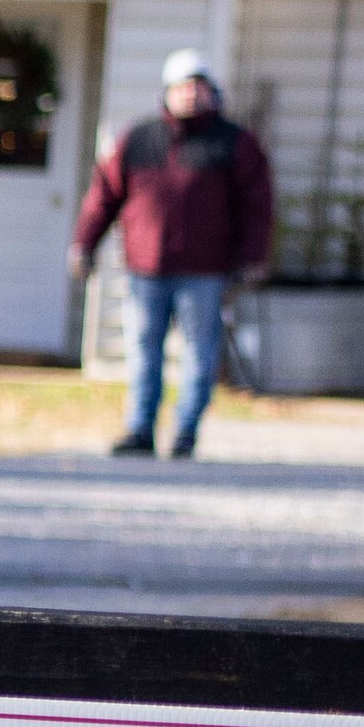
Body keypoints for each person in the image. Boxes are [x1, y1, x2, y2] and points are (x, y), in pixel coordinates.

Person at [76, 47, 271, 460]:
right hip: (146, 266)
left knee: (200, 350)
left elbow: (257, 205)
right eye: (182, 87)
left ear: (212, 93)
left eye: (198, 87)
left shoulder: (234, 143)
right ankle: (140, 428)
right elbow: (104, 196)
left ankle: (185, 431)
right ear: (167, 92)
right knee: (144, 347)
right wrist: (84, 243)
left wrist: (253, 256)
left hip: (205, 268)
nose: (190, 95)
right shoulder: (139, 139)